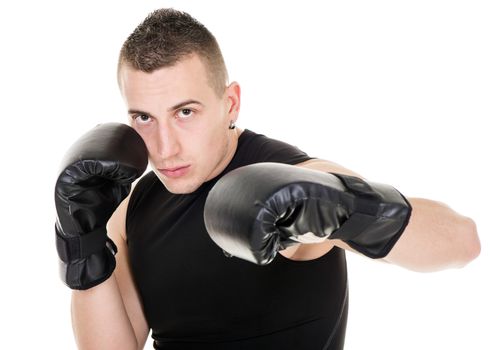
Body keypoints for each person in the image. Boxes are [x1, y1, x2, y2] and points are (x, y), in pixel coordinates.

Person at [54, 8, 481, 350]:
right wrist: (81, 240)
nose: (164, 148)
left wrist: (343, 207)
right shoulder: (133, 208)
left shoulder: (292, 181)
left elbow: (462, 242)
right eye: (144, 118)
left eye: (186, 112)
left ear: (231, 103)